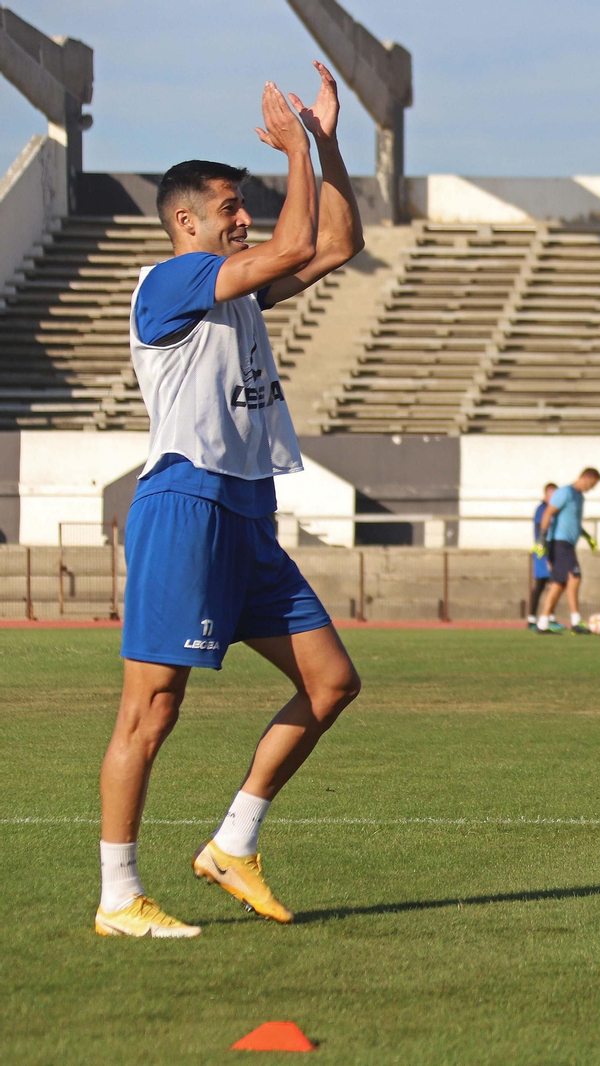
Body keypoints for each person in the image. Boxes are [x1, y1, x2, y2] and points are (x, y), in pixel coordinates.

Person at [97, 65, 364, 938]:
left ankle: (232, 846)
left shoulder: (233, 286)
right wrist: (292, 151)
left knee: (330, 683)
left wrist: (323, 145)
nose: (239, 218)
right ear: (186, 222)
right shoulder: (169, 281)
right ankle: (118, 896)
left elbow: (335, 246)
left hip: (247, 511)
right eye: (227, 209)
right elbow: (290, 247)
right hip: (185, 504)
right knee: (153, 708)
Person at [534, 468, 600, 633]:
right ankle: (576, 620)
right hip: (558, 542)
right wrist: (542, 540)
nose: (591, 488)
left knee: (559, 583)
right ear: (586, 478)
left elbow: (574, 522)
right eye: (591, 484)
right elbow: (548, 513)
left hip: (568, 544)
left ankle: (543, 622)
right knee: (575, 577)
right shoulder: (565, 492)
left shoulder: (579, 497)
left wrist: (587, 537)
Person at [527, 482, 557, 628]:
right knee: (541, 584)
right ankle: (532, 618)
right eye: (553, 494)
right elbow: (541, 528)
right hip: (542, 551)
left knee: (552, 584)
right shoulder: (542, 509)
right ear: (547, 494)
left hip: (550, 550)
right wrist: (543, 547)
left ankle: (549, 617)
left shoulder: (553, 509)